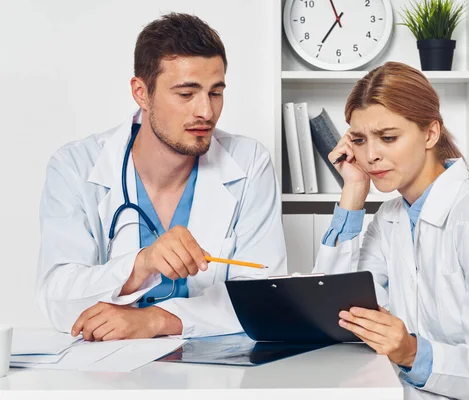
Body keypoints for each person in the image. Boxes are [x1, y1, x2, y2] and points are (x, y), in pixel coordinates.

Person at [313, 62, 469, 399]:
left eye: (388, 137)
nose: (372, 155)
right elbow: (336, 313)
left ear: (430, 134)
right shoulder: (390, 218)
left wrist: (409, 351)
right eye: (360, 140)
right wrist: (353, 192)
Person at [36, 12, 286, 341]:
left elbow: (265, 295)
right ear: (141, 92)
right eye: (186, 94)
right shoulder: (75, 166)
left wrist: (159, 320)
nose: (206, 112)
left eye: (215, 92)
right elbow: (56, 297)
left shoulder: (249, 163)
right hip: (108, 374)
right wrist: (141, 265)